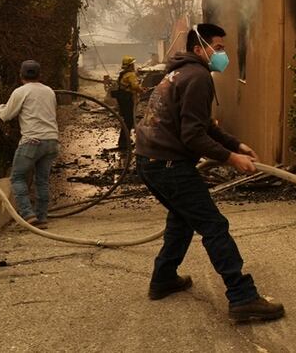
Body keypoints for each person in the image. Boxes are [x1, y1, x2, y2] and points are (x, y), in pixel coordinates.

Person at [135, 23, 284, 323]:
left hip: (150, 160)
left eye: (223, 48)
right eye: (217, 48)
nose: (222, 54)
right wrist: (232, 158)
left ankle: (163, 278)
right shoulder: (198, 77)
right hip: (168, 164)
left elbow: (203, 125)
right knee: (213, 226)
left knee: (181, 220)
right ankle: (242, 297)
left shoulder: (181, 73)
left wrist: (235, 144)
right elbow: (193, 136)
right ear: (198, 49)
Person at [0, 60, 59, 230]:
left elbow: (6, 115)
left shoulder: (20, 92)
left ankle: (28, 215)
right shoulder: (49, 91)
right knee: (42, 180)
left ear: (21, 75)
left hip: (32, 141)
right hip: (52, 141)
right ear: (40, 75)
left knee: (17, 178)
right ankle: (42, 217)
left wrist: (0, 108)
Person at [111, 55, 144, 148]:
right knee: (129, 120)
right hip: (127, 98)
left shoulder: (123, 74)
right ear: (130, 65)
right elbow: (135, 86)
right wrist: (141, 90)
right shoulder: (131, 74)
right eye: (133, 64)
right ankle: (124, 142)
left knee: (126, 119)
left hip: (122, 98)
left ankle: (124, 140)